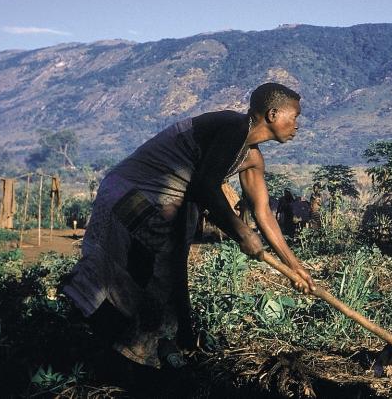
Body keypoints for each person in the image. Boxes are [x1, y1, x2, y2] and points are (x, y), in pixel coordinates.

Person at [63, 82, 315, 369]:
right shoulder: (234, 127)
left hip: (144, 198)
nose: (297, 125)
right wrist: (242, 232)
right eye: (294, 116)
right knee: (162, 265)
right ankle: (137, 351)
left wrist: (295, 266)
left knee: (168, 263)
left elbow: (263, 213)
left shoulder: (252, 157)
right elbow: (204, 186)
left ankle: (158, 344)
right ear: (272, 114)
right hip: (130, 193)